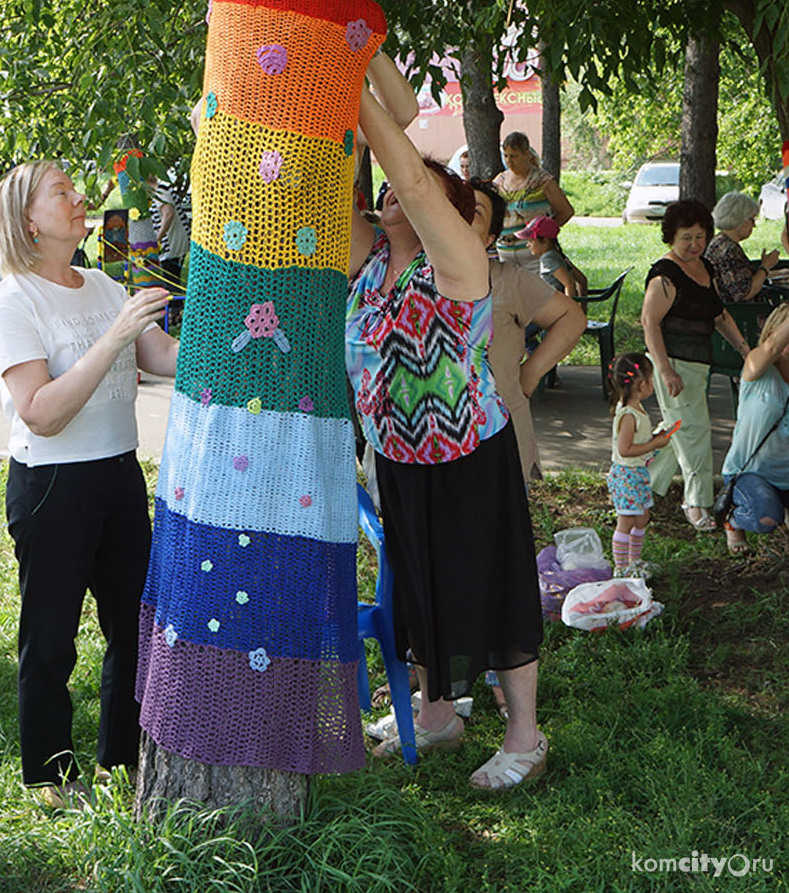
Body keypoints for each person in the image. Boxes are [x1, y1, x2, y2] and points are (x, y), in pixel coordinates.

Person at [348, 89, 546, 789]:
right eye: (397, 192)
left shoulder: (458, 260)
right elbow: (322, 187)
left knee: (492, 584)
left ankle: (524, 735)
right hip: (398, 457)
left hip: (469, 454)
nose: (400, 195)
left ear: (453, 211)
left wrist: (353, 82)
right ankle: (438, 714)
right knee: (419, 587)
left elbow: (407, 174)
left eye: (424, 190)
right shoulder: (371, 263)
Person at [0, 160, 177, 808]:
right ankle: (49, 775)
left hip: (119, 471)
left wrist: (230, 322)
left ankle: (121, 756)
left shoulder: (101, 284)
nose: (78, 198)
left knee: (133, 625)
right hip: (52, 485)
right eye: (60, 192)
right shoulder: (13, 301)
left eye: (74, 188)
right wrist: (116, 333)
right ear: (27, 219)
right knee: (52, 634)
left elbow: (160, 357)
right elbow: (42, 410)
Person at [642, 199, 753, 531]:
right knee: (694, 432)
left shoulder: (706, 268)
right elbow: (650, 323)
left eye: (700, 237)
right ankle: (697, 501)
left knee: (679, 428)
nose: (694, 245)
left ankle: (639, 486)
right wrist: (665, 370)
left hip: (698, 363)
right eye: (686, 237)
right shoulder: (664, 275)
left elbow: (719, 314)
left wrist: (745, 349)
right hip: (673, 362)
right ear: (671, 237)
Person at [469, 180, 586, 483]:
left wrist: (531, 373)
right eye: (456, 208)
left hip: (498, 437)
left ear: (491, 237)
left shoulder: (509, 280)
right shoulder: (412, 277)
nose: (463, 216)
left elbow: (571, 318)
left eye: (476, 212)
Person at [721, 303, 789, 555]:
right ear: (774, 333)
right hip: (750, 473)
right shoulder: (756, 367)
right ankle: (733, 522)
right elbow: (770, 349)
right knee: (765, 517)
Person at [606, 353, 675, 577]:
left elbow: (637, 444)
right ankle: (622, 569)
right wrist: (654, 443)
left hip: (637, 473)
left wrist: (654, 440)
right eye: (652, 379)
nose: (653, 384)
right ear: (642, 384)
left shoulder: (635, 408)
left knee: (642, 517)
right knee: (626, 520)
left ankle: (635, 562)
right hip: (627, 475)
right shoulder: (628, 415)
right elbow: (625, 450)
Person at [492, 132, 574, 276]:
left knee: (538, 295)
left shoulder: (542, 181)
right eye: (506, 156)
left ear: (526, 154)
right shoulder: (500, 180)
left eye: (514, 156)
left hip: (534, 255)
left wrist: (543, 233)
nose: (509, 161)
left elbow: (566, 211)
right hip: (505, 253)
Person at [705, 192, 780, 303]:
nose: (754, 225)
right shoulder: (728, 250)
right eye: (751, 219)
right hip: (742, 315)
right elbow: (745, 293)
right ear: (738, 219)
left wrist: (777, 273)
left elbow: (742, 277)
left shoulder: (720, 242)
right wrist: (765, 266)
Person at [518, 215, 587, 297]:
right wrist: (582, 307)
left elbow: (569, 283)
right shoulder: (558, 255)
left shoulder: (548, 259)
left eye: (530, 241)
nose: (527, 245)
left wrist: (569, 308)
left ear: (545, 241)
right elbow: (582, 280)